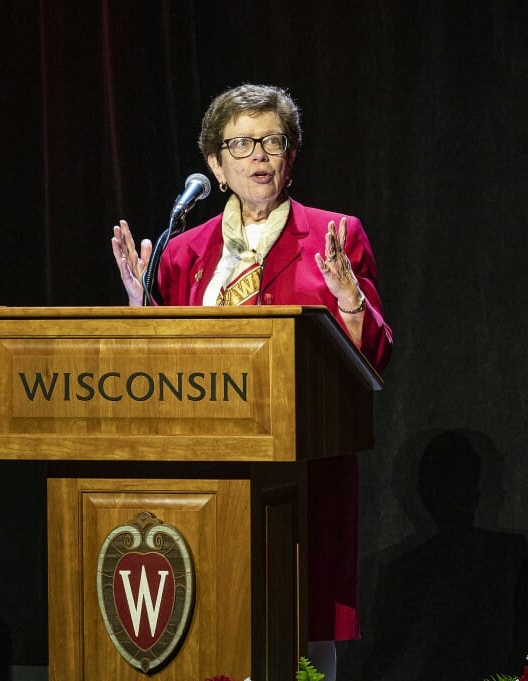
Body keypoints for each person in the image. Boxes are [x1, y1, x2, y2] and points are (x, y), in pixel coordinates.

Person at [110, 83, 393, 680]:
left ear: (291, 157)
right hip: (207, 471)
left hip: (304, 465)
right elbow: (168, 372)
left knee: (301, 628)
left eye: (272, 141)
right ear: (215, 164)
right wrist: (145, 311)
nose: (258, 156)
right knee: (212, 619)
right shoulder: (183, 251)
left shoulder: (334, 236)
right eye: (241, 144)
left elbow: (372, 362)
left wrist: (349, 304)